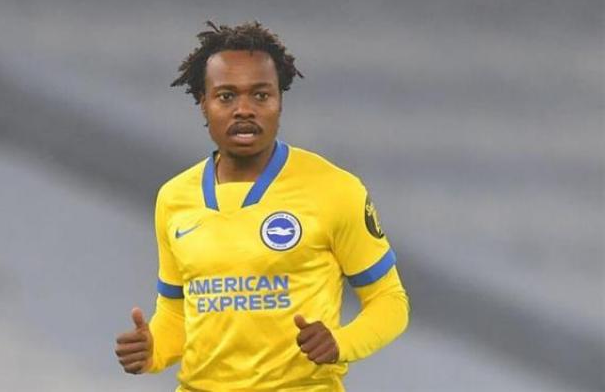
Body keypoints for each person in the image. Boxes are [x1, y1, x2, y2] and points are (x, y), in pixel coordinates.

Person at [115, 20, 410, 391]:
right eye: (226, 96)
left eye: (260, 95)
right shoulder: (174, 198)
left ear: (279, 101)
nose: (244, 110)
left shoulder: (335, 190)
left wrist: (341, 343)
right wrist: (153, 350)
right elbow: (176, 314)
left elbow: (389, 301)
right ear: (203, 103)